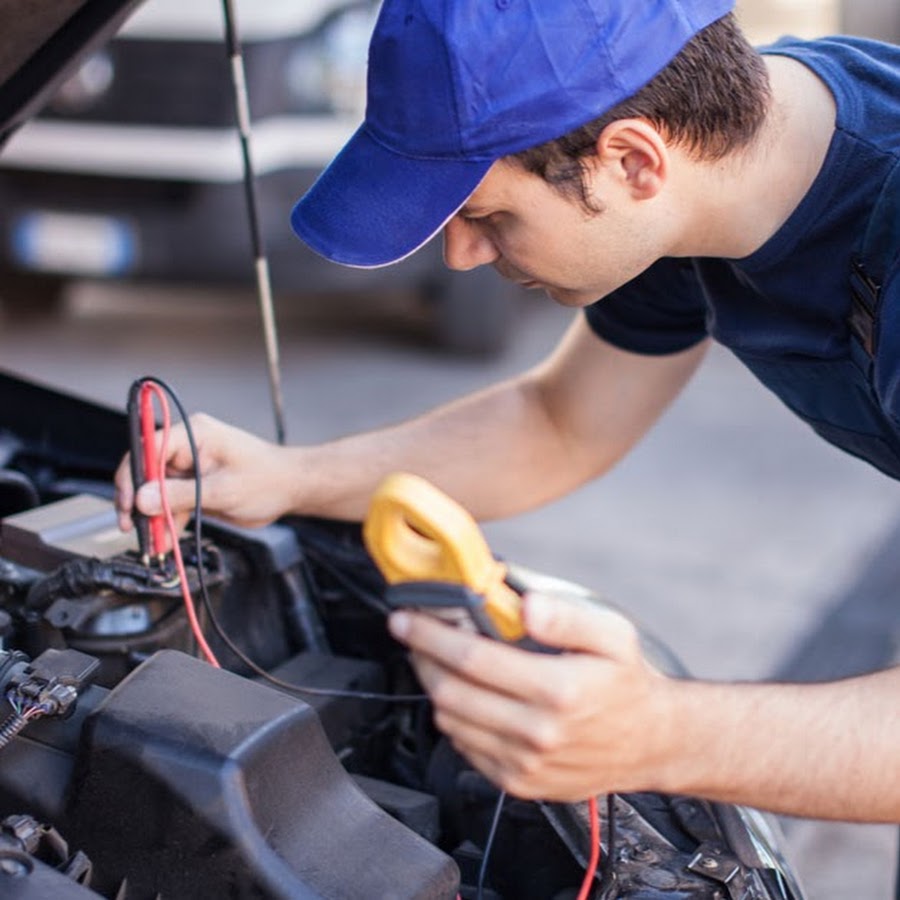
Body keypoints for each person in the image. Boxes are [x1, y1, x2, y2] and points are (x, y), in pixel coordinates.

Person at [115, 0, 900, 826]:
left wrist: (659, 734)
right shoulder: (701, 174)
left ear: (634, 163)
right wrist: (289, 477)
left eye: (488, 215)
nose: (460, 254)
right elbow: (562, 422)